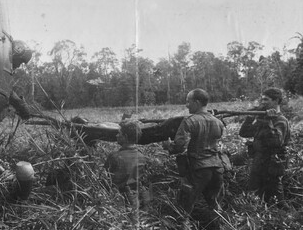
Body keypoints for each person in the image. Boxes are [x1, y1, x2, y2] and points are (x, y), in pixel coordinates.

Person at [164, 88, 225, 216]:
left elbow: (179, 147)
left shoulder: (189, 121)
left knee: (184, 208)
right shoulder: (218, 122)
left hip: (198, 170)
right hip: (217, 169)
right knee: (215, 206)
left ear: (196, 102)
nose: (186, 105)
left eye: (188, 101)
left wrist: (168, 145)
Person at [239, 88, 290, 207]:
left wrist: (270, 122)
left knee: (277, 199)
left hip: (273, 164)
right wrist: (250, 118)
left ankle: (289, 218)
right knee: (255, 193)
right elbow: (244, 133)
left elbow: (277, 141)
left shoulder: (280, 121)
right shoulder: (263, 120)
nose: (262, 102)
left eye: (266, 99)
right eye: (261, 99)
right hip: (259, 161)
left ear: (276, 101)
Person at [104, 120, 150, 210]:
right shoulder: (142, 157)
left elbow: (105, 180)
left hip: (118, 202)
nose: (117, 135)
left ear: (125, 137)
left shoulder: (114, 156)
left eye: (119, 133)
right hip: (137, 200)